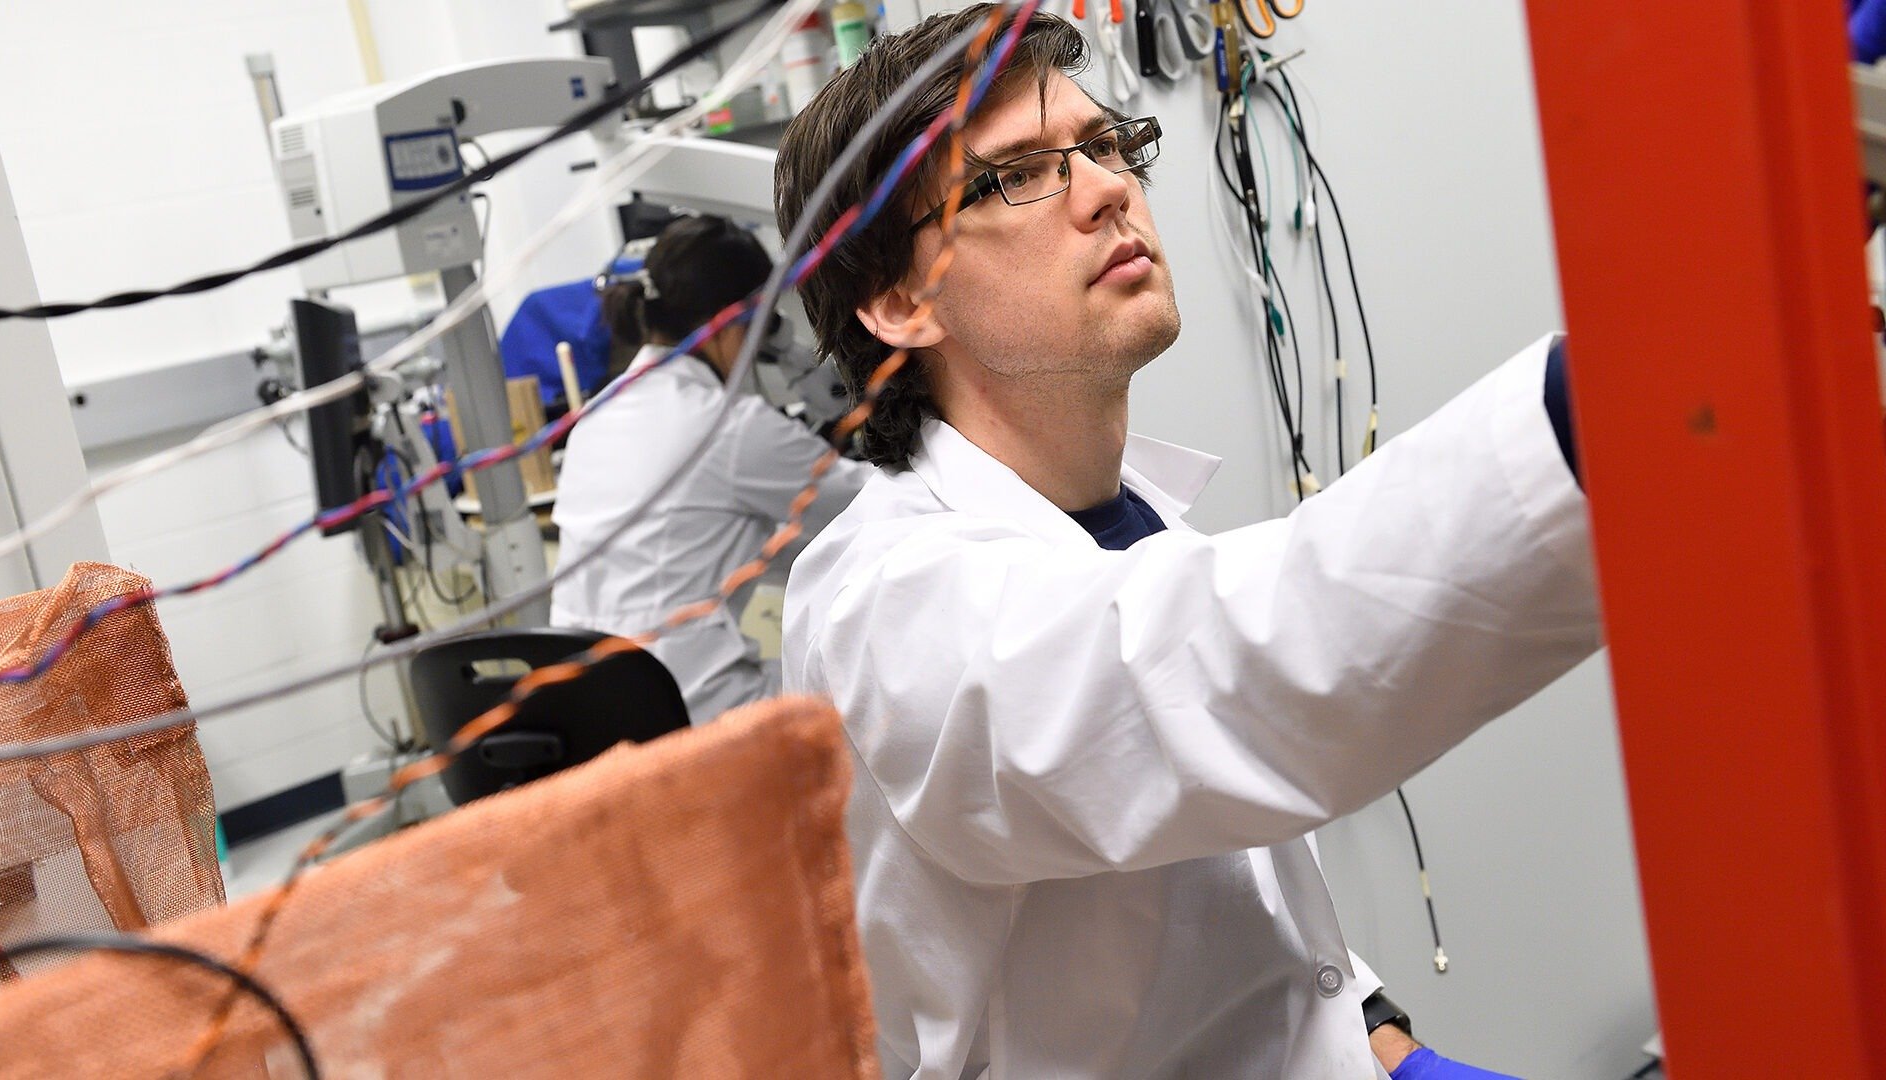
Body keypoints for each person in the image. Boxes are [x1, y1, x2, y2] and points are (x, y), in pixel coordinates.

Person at [773, 7, 1598, 1079]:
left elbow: (1204, 867)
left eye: (1106, 146)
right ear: (895, 302)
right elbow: (1216, 677)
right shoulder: (889, 608)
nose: (1109, 188)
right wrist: (1602, 404)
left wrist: (1380, 1034)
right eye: (1018, 174)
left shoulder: (1118, 522)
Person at [551, 215, 871, 724]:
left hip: (594, 718)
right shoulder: (727, 426)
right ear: (739, 320)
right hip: (693, 719)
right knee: (873, 698)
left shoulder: (597, 414)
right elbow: (874, 509)